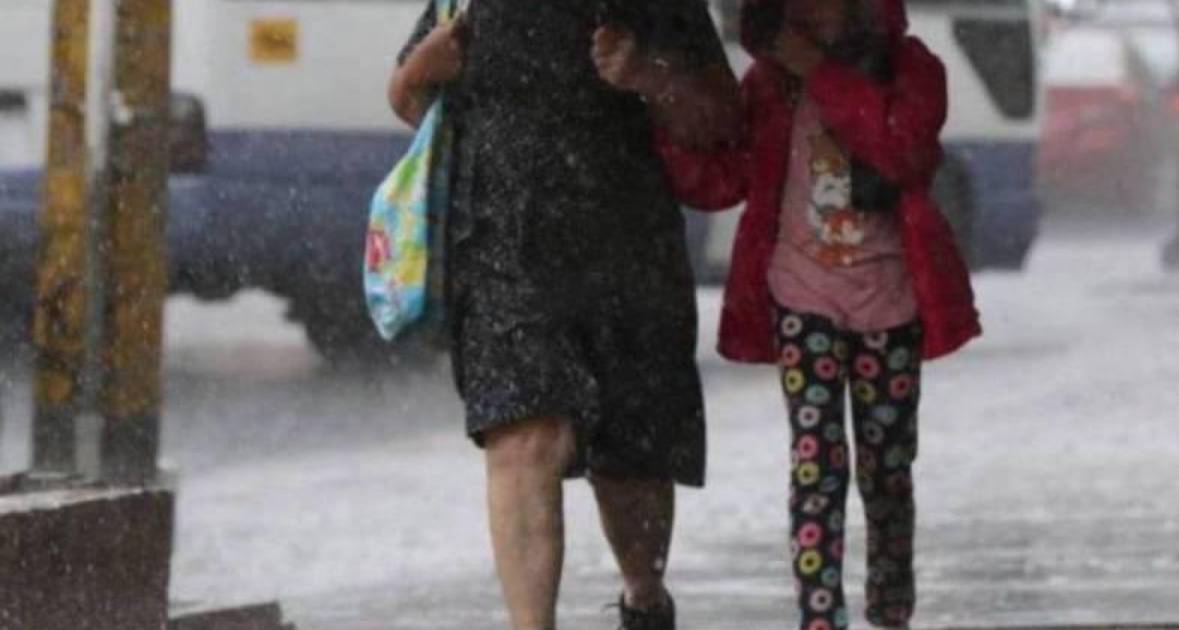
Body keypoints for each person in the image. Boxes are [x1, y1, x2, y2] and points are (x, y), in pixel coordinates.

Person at [618, 0, 982, 627]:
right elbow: (725, 177)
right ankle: (819, 615)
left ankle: (889, 600)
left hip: (890, 303)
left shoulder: (913, 71)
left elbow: (900, 152)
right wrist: (656, 111)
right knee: (816, 463)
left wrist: (820, 71)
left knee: (887, 467)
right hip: (801, 299)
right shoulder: (769, 86)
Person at [386, 2, 740, 628]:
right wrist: (419, 71)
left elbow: (720, 118)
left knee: (632, 462)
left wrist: (649, 76)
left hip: (629, 250)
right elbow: (411, 100)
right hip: (501, 247)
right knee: (524, 436)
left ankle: (644, 601)